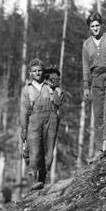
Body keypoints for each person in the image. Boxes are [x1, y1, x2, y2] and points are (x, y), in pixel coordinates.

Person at [19, 58, 65, 190]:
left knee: (48, 152)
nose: (37, 73)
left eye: (39, 70)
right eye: (34, 71)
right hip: (33, 120)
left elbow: (59, 102)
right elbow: (23, 110)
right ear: (30, 73)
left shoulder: (50, 85)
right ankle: (33, 181)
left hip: (51, 118)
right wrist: (23, 128)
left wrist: (56, 88)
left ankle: (42, 180)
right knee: (34, 151)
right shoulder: (26, 89)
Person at [82, 12, 106, 162]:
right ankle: (99, 148)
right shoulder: (86, 45)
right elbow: (85, 66)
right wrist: (86, 85)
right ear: (89, 28)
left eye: (97, 25)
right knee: (98, 115)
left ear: (101, 25)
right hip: (96, 80)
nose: (95, 28)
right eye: (92, 26)